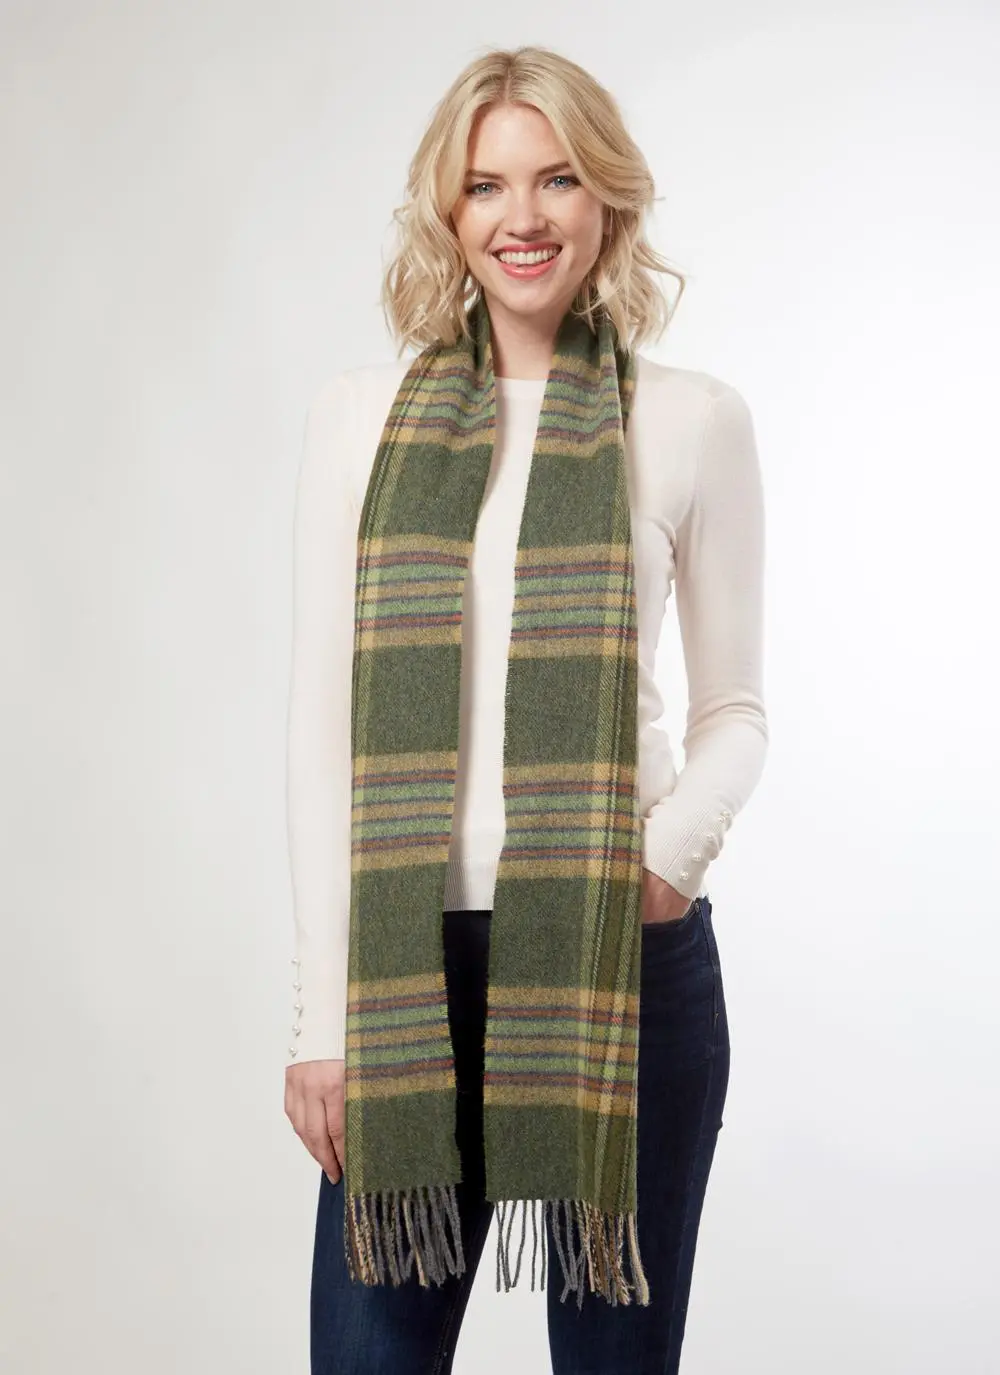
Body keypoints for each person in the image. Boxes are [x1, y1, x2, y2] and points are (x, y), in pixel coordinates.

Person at [283, 44, 767, 1375]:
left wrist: (662, 868)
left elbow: (736, 709)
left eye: (557, 179)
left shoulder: (690, 420)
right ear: (449, 210)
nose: (524, 217)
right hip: (409, 973)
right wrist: (320, 1023)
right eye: (487, 185)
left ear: (606, 196)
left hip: (622, 964)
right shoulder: (360, 419)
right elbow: (323, 734)